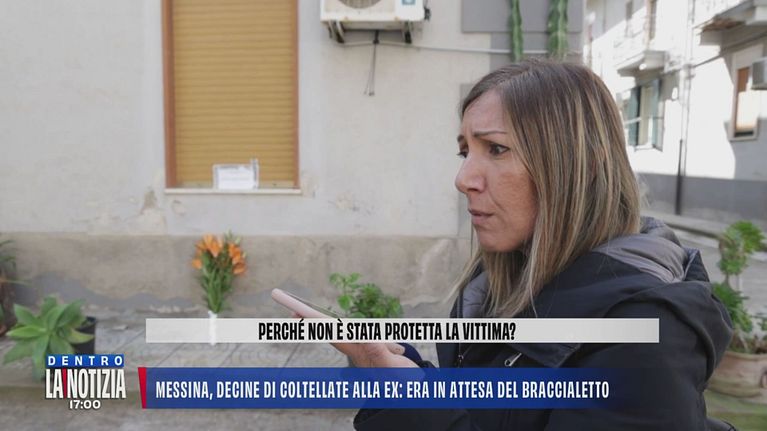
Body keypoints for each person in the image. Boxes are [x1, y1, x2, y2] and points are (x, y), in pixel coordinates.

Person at [326, 60, 734, 430]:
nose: (463, 178)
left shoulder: (645, 337)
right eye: (465, 151)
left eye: (496, 149)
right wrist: (408, 377)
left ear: (580, 165)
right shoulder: (491, 285)